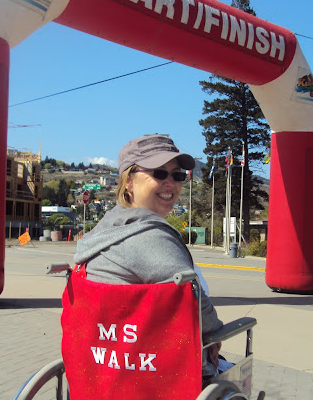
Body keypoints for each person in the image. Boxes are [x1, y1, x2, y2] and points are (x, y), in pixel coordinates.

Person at [74, 133, 224, 379]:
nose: (170, 183)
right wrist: (216, 332)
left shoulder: (102, 231)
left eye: (177, 175)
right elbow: (195, 302)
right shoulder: (151, 237)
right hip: (151, 371)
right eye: (159, 172)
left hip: (104, 364)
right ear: (129, 181)